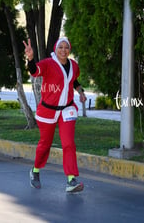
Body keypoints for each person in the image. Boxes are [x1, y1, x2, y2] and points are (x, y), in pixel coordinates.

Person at [23, 36, 87, 193]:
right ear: (55, 49)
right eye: (60, 47)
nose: (63, 50)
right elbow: (34, 71)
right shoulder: (48, 63)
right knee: (45, 144)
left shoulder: (74, 65)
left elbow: (73, 81)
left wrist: (80, 92)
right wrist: (30, 59)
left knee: (68, 143)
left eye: (66, 47)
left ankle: (71, 180)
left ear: (69, 50)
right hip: (48, 110)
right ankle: (35, 171)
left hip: (67, 109)